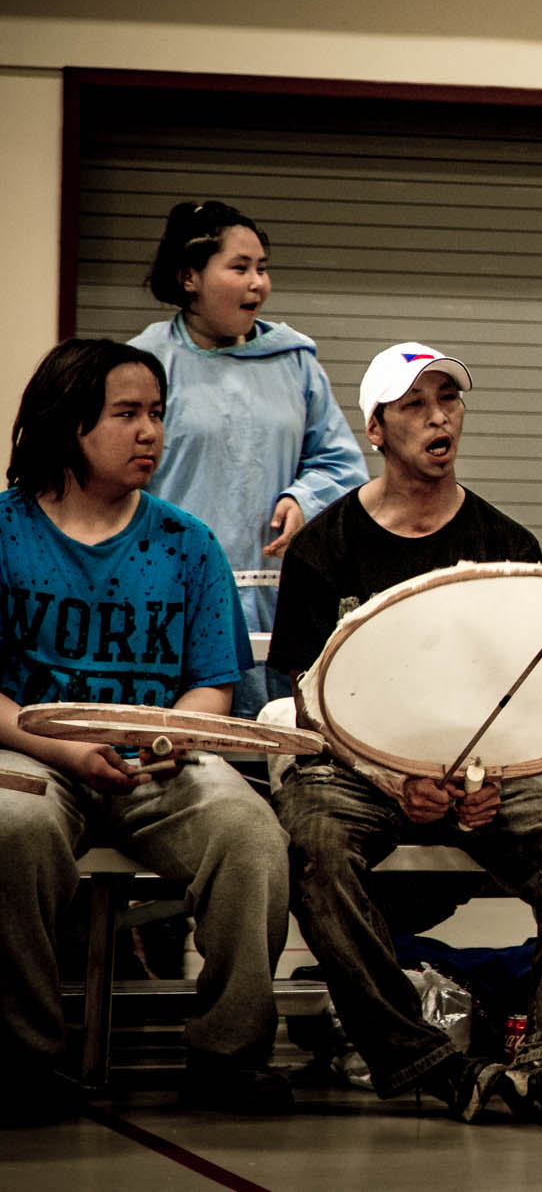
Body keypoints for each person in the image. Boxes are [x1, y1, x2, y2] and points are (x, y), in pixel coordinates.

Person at [268, 343, 542, 1127]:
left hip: (487, 774)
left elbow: (530, 691)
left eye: (449, 399)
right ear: (376, 429)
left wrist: (497, 772)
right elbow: (295, 693)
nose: (439, 417)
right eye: (415, 404)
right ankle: (422, 1060)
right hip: (355, 771)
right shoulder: (327, 546)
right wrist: (390, 774)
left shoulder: (509, 546)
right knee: (314, 844)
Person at [0, 339, 290, 1120]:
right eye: (126, 414)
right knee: (10, 828)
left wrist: (169, 741)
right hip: (35, 752)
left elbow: (211, 684)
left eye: (157, 413)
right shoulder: (5, 530)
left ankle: (228, 1056)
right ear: (68, 424)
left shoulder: (186, 541)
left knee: (248, 832)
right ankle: (25, 1055)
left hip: (161, 760)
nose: (150, 432)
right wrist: (64, 748)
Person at [130, 201, 367, 717]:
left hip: (277, 603)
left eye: (262, 268)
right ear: (188, 277)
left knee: (275, 749)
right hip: (169, 601)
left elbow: (341, 465)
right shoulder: (143, 365)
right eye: (239, 268)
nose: (258, 283)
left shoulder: (296, 361)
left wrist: (304, 498)